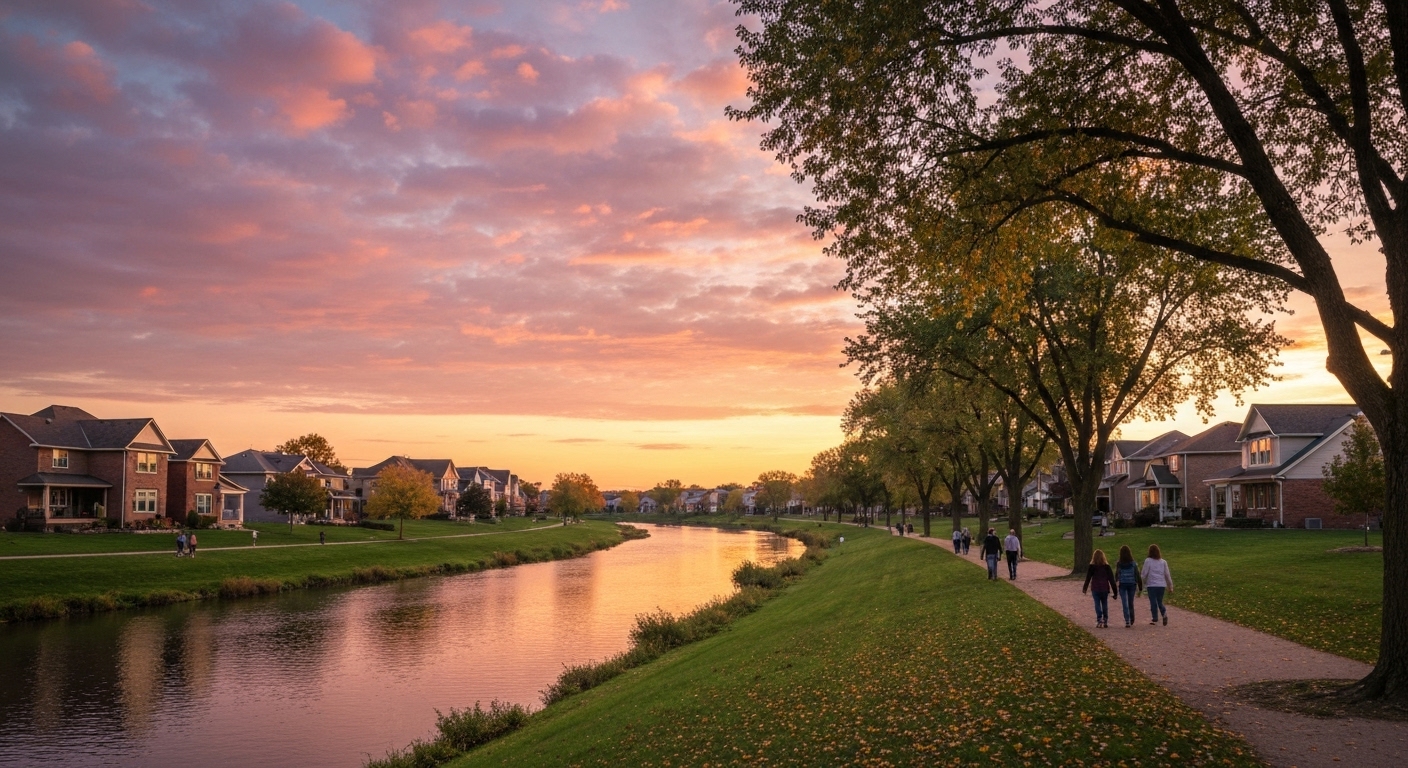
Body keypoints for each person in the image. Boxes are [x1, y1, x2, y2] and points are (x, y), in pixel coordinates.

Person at [1141, 544, 1174, 625]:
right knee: (1159, 601)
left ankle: (1155, 617)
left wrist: (1141, 581)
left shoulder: (1148, 561)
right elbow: (1167, 575)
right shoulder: (1163, 562)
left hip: (1151, 585)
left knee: (1153, 601)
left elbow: (1144, 574)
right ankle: (1164, 613)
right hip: (1161, 585)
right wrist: (1170, 586)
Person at [1082, 549, 1116, 628]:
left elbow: (1088, 578)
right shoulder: (1106, 567)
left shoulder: (1092, 567)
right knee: (1104, 603)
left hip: (1095, 588)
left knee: (1097, 603)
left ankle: (1099, 618)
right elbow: (1111, 579)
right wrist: (1115, 592)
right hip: (1104, 587)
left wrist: (1085, 588)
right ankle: (1105, 619)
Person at [1115, 545, 1143, 628]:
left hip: (1123, 584)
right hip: (1132, 584)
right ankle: (1132, 618)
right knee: (1131, 602)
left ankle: (1127, 620)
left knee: (1124, 603)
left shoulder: (1119, 564)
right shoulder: (1133, 564)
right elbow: (1137, 575)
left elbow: (1117, 574)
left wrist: (1114, 582)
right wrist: (1140, 586)